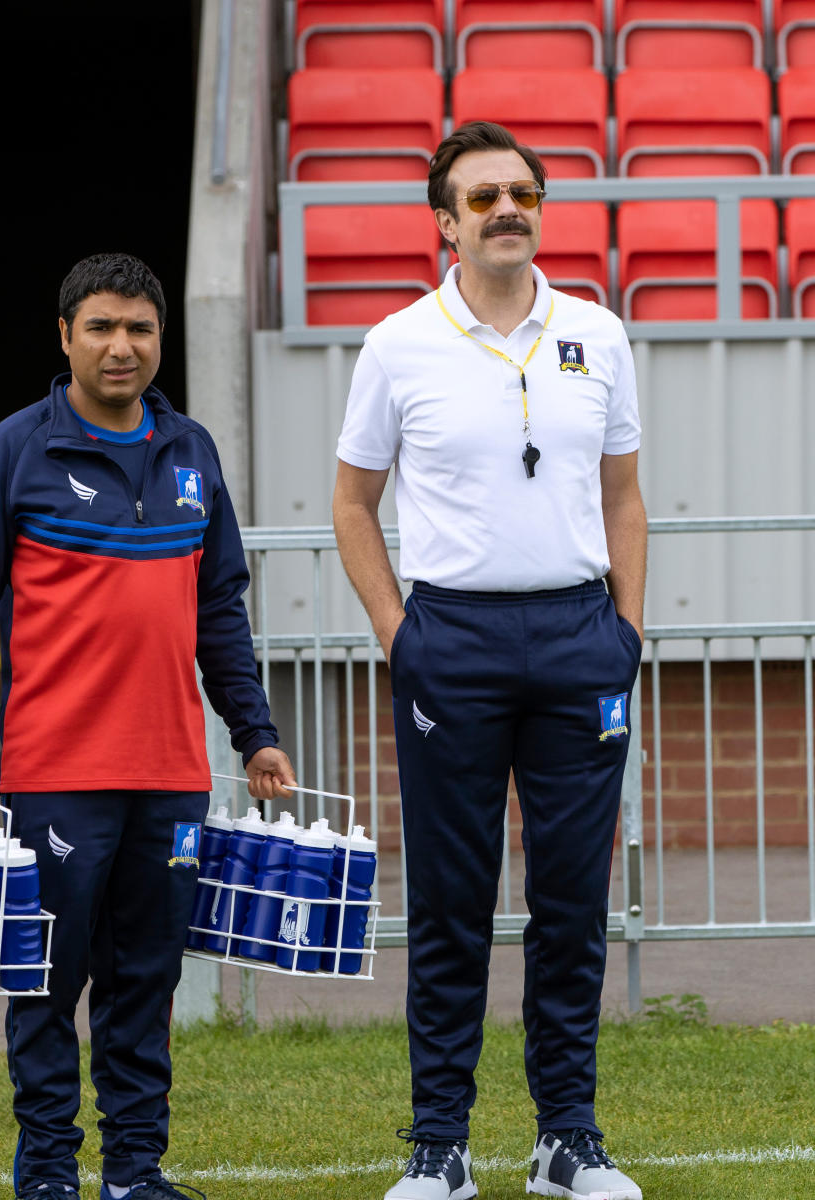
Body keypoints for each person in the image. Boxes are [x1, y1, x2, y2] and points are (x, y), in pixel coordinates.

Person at [0, 252, 296, 1200]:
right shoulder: (16, 450)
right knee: (48, 980)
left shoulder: (193, 452)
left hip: (172, 771)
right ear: (65, 337)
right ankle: (47, 1173)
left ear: (160, 338)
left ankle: (136, 1171)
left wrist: (252, 731)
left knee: (147, 984)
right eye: (101, 327)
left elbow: (221, 608)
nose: (121, 346)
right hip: (54, 772)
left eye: (139, 328)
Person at [332, 123, 647, 1200]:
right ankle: (440, 1146)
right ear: (445, 224)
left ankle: (567, 1138)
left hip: (577, 637)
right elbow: (352, 503)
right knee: (452, 901)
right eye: (482, 198)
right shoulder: (397, 344)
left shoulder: (598, 335)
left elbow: (622, 495)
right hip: (451, 640)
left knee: (569, 900)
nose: (506, 208)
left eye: (521, 192)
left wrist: (627, 633)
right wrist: (398, 633)